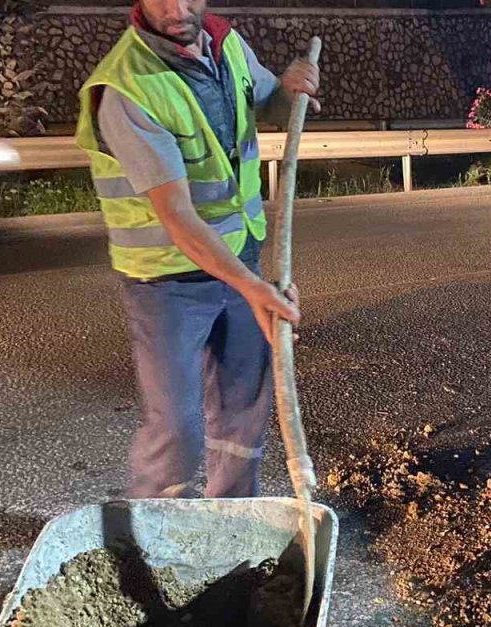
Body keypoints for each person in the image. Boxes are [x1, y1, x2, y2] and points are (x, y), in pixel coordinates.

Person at [75, 0, 320, 499]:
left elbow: (268, 104)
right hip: (166, 280)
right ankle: (156, 527)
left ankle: (231, 517)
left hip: (240, 255)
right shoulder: (127, 88)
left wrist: (289, 90)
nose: (175, 7)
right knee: (176, 427)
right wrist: (253, 288)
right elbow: (178, 217)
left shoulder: (228, 46)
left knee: (243, 408)